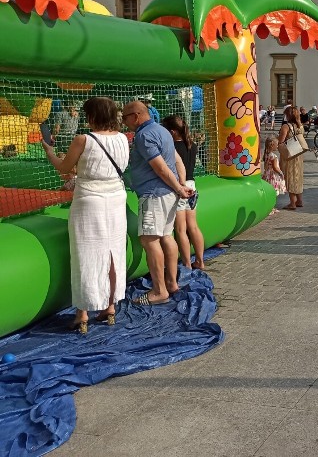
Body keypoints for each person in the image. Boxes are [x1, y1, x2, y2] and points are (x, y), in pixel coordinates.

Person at [43, 97, 130, 333]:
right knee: (114, 252)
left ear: (92, 116)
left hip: (89, 200)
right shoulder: (123, 138)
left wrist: (50, 151)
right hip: (116, 198)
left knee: (86, 254)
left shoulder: (84, 139)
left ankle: (82, 313)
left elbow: (63, 168)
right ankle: (110, 307)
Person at [122, 100, 192, 306]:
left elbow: (160, 168)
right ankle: (171, 283)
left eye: (125, 117)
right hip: (168, 193)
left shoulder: (144, 135)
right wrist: (180, 184)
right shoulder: (162, 131)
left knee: (149, 240)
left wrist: (180, 188)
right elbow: (177, 159)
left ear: (135, 116)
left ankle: (159, 290)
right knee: (166, 236)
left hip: (153, 194)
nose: (124, 121)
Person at [162, 115, 205, 270]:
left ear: (172, 132)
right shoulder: (191, 145)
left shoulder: (172, 148)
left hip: (180, 186)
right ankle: (200, 260)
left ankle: (187, 263)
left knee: (180, 229)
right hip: (192, 184)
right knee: (193, 226)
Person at [279, 106, 305, 210]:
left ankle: (292, 203)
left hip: (290, 154)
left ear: (288, 115)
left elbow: (281, 141)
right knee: (298, 177)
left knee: (290, 176)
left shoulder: (286, 126)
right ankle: (299, 201)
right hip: (299, 153)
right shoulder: (300, 125)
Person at [261, 136, 286, 213]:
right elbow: (275, 167)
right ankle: (271, 208)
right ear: (272, 145)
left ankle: (269, 207)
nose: (277, 146)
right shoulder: (273, 156)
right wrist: (281, 172)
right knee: (273, 193)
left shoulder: (266, 154)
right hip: (273, 176)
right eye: (277, 144)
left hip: (267, 175)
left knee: (269, 192)